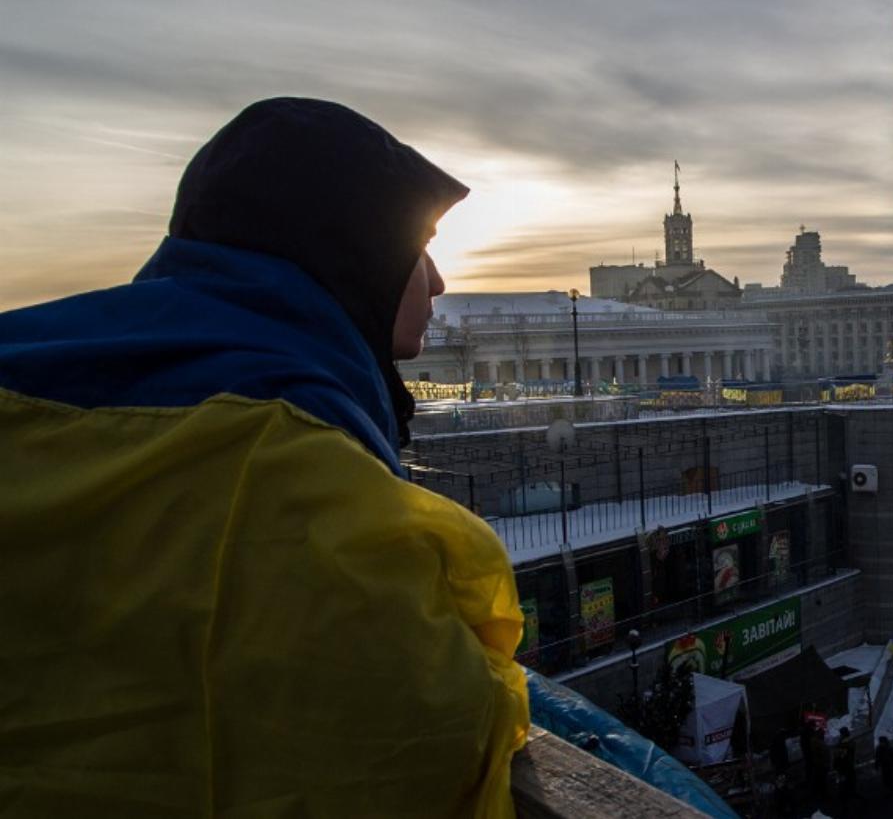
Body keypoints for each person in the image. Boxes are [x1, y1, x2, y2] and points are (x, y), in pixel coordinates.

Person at [0, 98, 529, 816]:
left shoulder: (36, 362)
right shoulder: (293, 459)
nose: (437, 282)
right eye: (420, 247)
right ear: (351, 247)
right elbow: (435, 733)